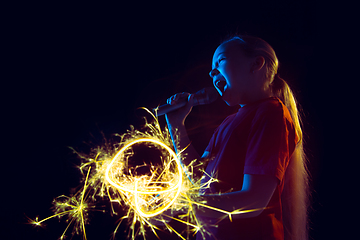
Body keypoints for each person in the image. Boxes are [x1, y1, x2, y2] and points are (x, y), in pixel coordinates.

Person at [165, 35, 309, 240]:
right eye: (211, 68)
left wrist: (181, 206)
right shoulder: (227, 123)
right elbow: (201, 182)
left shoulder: (271, 112)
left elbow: (255, 200)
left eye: (220, 60)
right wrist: (176, 125)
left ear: (256, 63)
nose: (211, 71)